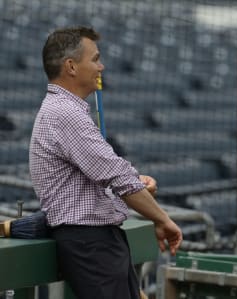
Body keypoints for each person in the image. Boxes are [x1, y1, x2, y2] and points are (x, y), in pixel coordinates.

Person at [29, 26, 182, 299]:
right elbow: (117, 176)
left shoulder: (66, 110)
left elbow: (108, 175)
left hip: (96, 241)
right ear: (71, 66)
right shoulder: (64, 113)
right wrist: (161, 218)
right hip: (89, 243)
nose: (102, 65)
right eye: (95, 58)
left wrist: (136, 182)